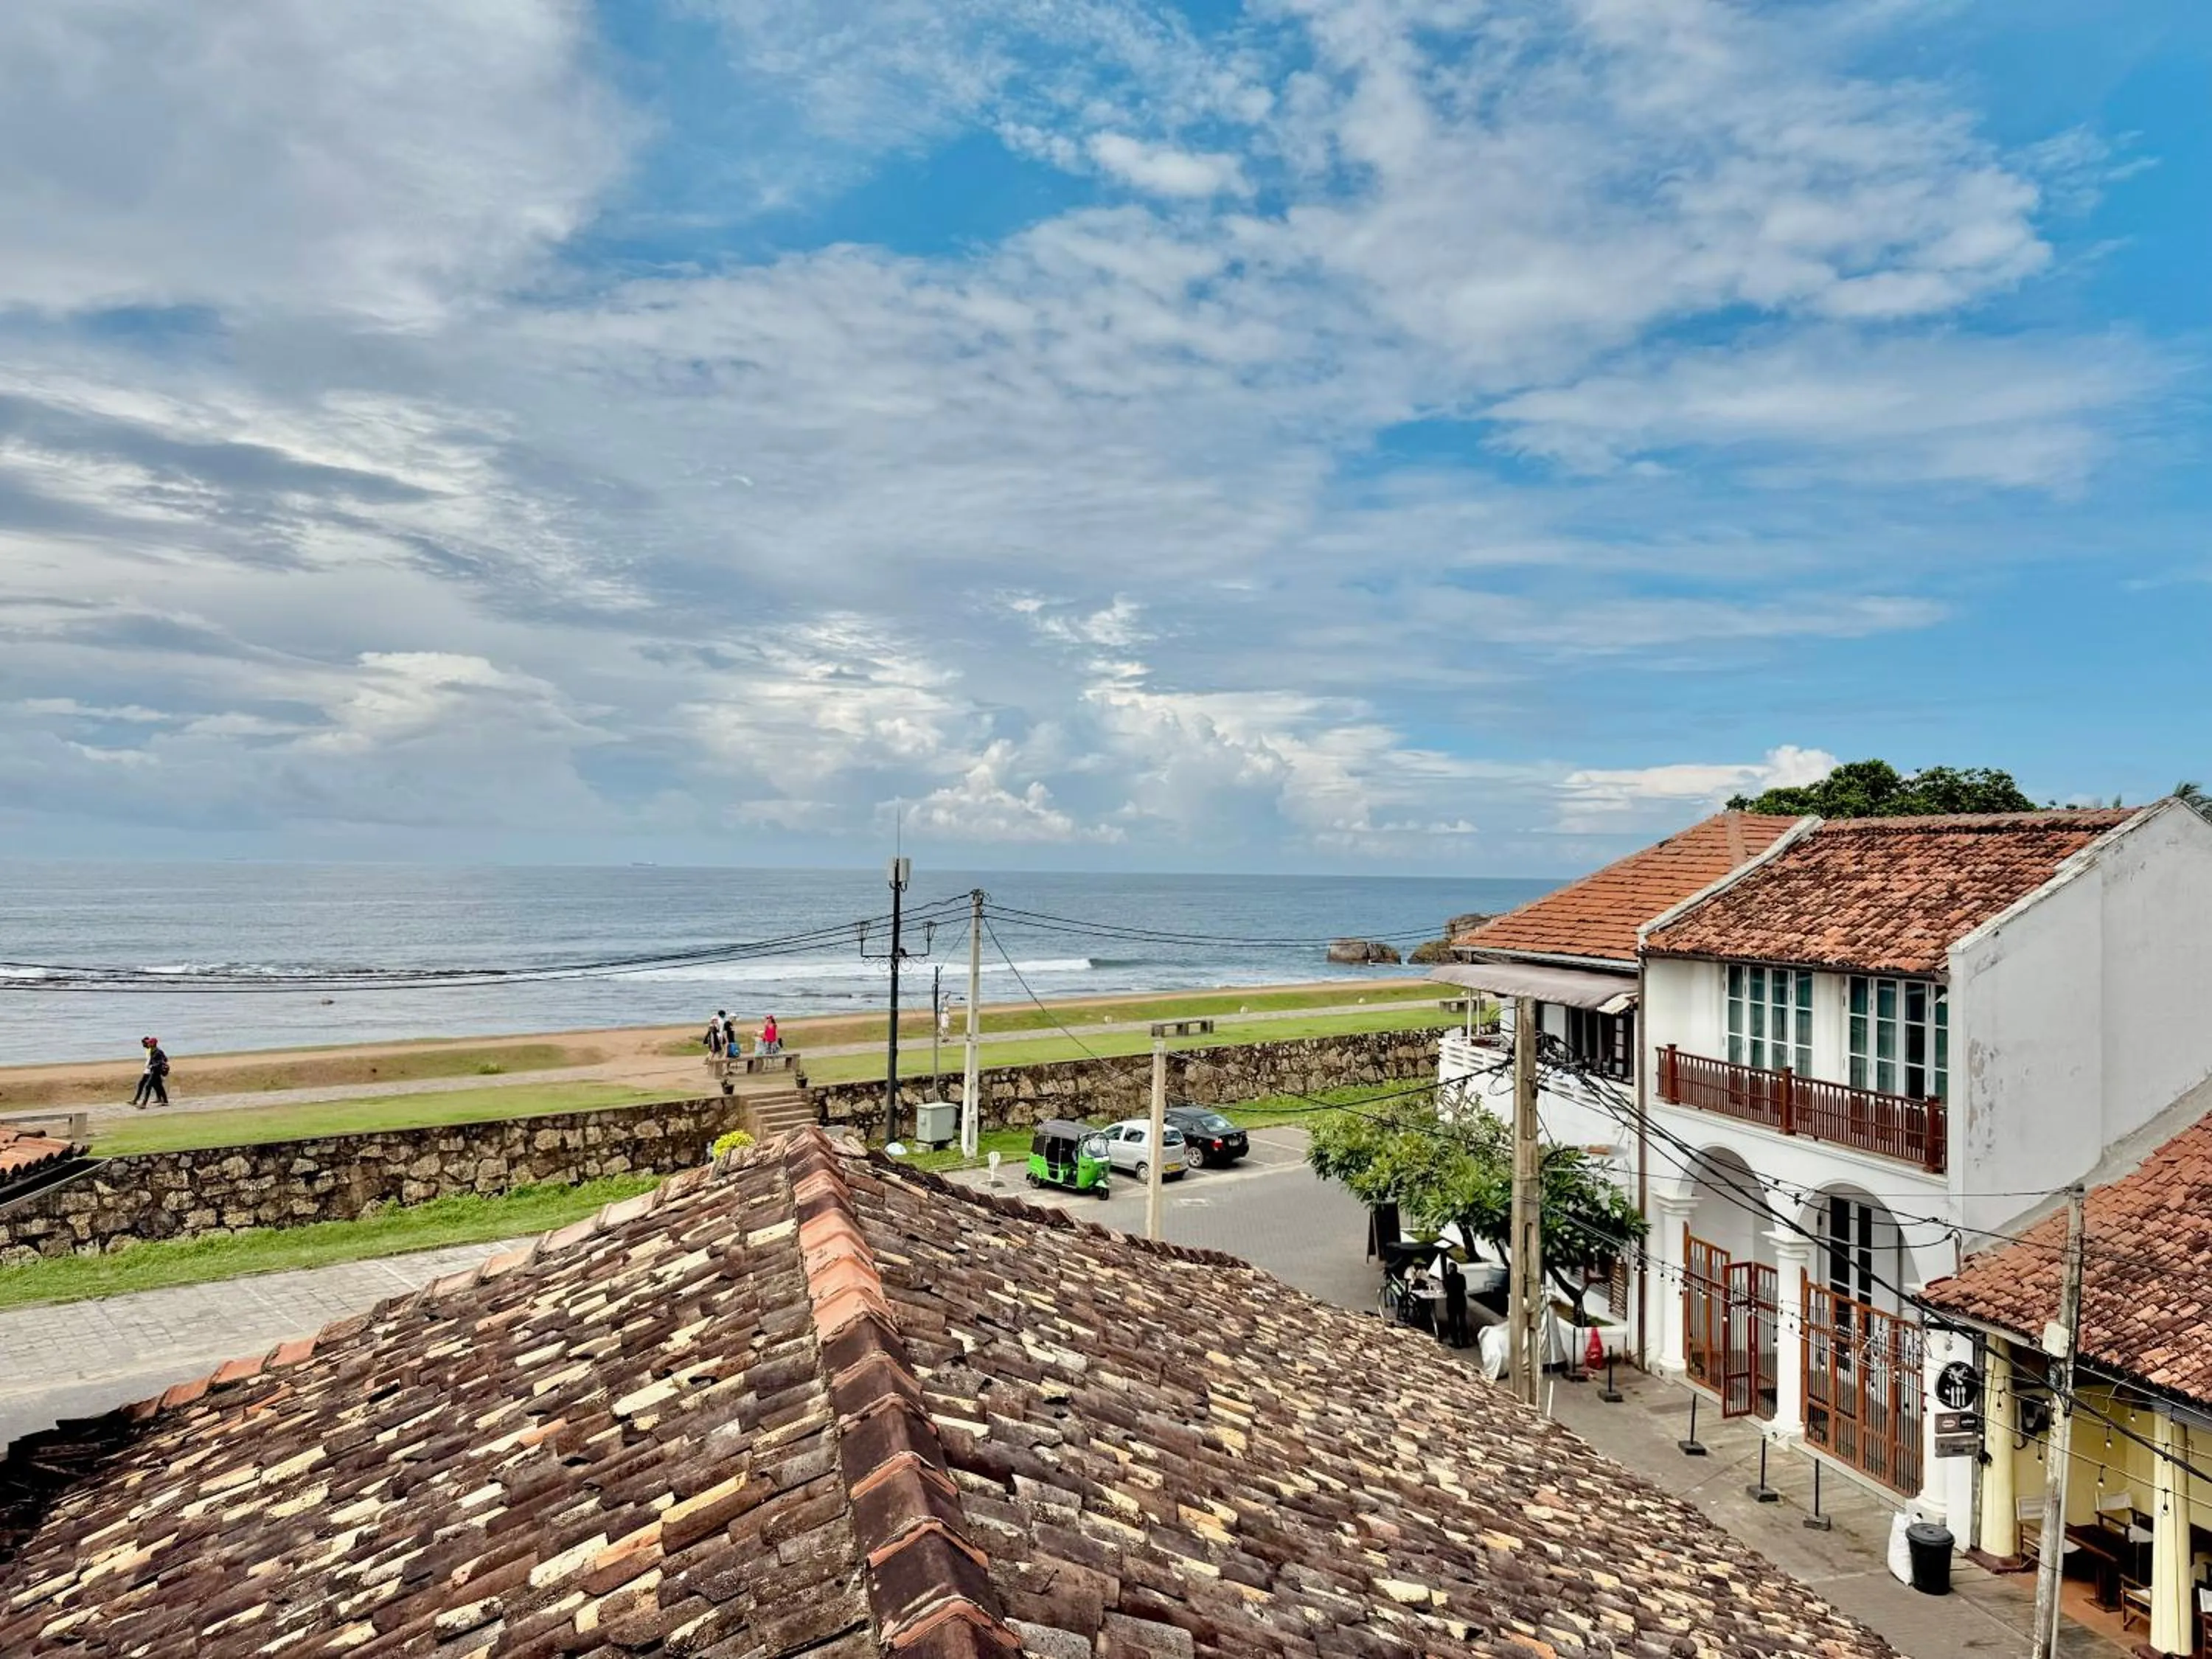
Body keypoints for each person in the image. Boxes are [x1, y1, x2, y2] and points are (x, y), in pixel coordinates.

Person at [132, 1036, 170, 1109]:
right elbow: (154, 1060)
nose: (148, 1044)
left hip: (156, 1071)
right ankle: (165, 1101)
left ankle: (144, 1104)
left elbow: (163, 1060)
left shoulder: (158, 1052)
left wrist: (153, 1065)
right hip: (153, 1071)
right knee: (158, 1086)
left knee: (148, 1086)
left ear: (153, 1044)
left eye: (149, 1043)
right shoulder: (152, 1051)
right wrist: (150, 1065)